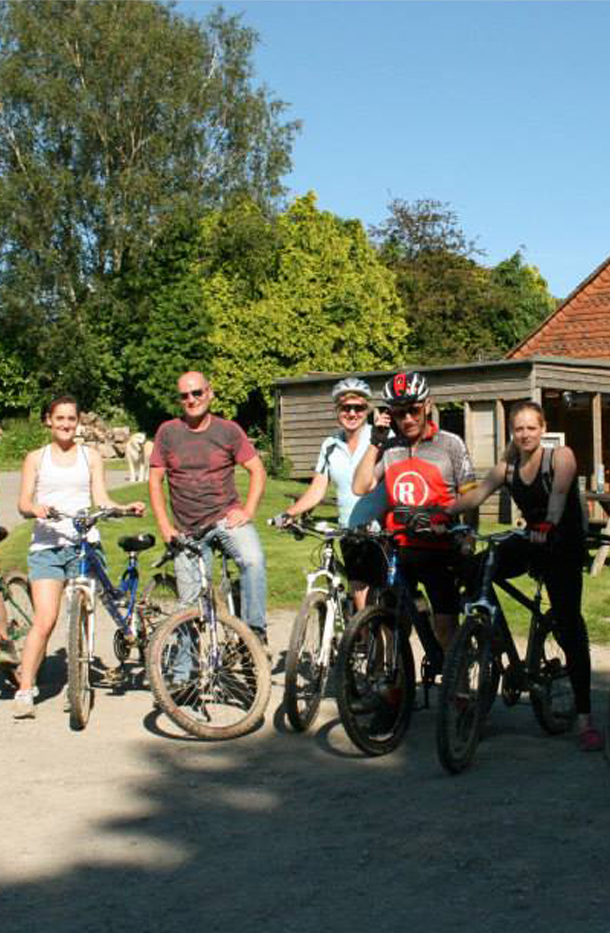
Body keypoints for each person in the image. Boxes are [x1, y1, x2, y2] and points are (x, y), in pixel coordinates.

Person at [442, 399, 602, 752]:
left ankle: (584, 718)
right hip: (532, 539)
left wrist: (548, 523)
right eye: (519, 428)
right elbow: (476, 497)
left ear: (542, 429)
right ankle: (491, 640)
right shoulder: (507, 467)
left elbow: (559, 495)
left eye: (532, 427)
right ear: (512, 432)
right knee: (476, 567)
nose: (526, 434)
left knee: (569, 625)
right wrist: (439, 512)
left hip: (562, 544)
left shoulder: (560, 457)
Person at [14, 395, 145, 720]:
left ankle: (80, 677)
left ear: (78, 422)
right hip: (47, 547)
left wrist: (124, 508)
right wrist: (35, 509)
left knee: (84, 610)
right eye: (59, 418)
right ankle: (25, 688)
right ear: (48, 420)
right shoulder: (36, 458)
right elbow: (22, 503)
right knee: (45, 620)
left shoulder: (90, 457)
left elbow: (100, 497)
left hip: (85, 542)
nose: (65, 424)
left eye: (71, 419)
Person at [352, 371, 478, 652]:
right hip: (399, 550)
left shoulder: (450, 444)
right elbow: (360, 486)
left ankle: (458, 689)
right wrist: (376, 441)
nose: (407, 419)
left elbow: (470, 496)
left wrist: (468, 535)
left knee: (445, 628)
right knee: (392, 622)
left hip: (439, 547)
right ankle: (398, 686)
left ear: (428, 405)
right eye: (399, 413)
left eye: (413, 410)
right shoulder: (390, 449)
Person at [148, 370, 268, 649]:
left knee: (253, 560)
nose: (192, 399)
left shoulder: (228, 430)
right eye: (185, 395)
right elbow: (155, 482)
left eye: (197, 393)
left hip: (226, 519)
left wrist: (248, 510)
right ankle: (183, 674)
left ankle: (253, 637)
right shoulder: (168, 432)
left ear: (209, 393)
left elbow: (257, 471)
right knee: (187, 602)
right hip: (186, 528)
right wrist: (165, 526)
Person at [276, 377, 388, 610]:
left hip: (379, 533)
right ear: (337, 410)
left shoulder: (380, 438)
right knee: (361, 603)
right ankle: (361, 645)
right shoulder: (329, 445)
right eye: (346, 407)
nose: (352, 413)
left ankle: (384, 646)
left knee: (381, 606)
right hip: (349, 532)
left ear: (367, 409)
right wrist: (290, 513)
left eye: (358, 407)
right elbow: (317, 489)